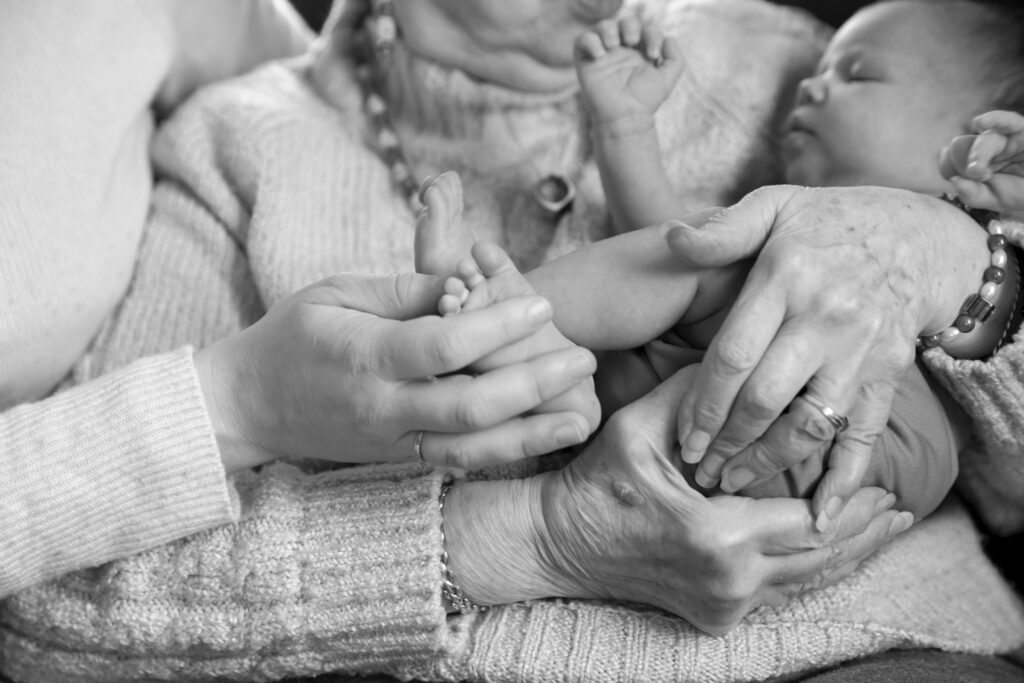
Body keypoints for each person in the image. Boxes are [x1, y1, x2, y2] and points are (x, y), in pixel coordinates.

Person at [1, 2, 1022, 683]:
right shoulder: (237, 143)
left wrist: (964, 260)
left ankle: (493, 315)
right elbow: (62, 604)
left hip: (883, 638)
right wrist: (524, 535)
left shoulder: (779, 52)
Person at [422, 0, 1023, 524]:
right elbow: (660, 245)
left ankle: (499, 314)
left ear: (972, 143)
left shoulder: (983, 220)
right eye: (819, 70)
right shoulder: (789, 226)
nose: (812, 87)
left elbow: (684, 257)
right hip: (708, 449)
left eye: (857, 75)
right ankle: (540, 375)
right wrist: (626, 127)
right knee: (679, 288)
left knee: (717, 253)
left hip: (871, 438)